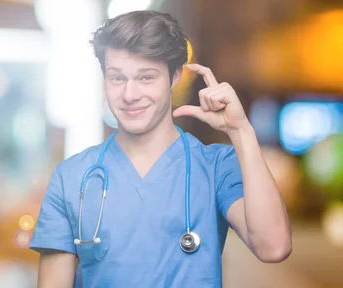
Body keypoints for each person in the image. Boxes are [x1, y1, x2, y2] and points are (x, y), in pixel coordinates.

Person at [28, 10, 292, 287]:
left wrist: (241, 131)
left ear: (175, 76)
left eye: (146, 78)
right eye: (117, 78)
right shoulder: (71, 177)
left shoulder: (217, 167)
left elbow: (273, 248)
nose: (129, 95)